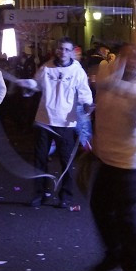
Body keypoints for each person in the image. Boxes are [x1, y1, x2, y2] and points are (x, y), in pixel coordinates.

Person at [88, 44, 136, 271]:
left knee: (124, 216)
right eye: (125, 57)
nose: (130, 62)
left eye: (135, 59)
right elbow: (100, 86)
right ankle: (114, 253)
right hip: (106, 156)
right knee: (100, 207)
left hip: (126, 160)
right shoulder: (108, 79)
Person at [15, 38, 94, 208]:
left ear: (72, 51)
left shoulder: (77, 71)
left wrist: (87, 105)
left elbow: (84, 93)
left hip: (66, 123)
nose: (63, 52)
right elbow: (37, 84)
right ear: (56, 50)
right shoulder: (46, 67)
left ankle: (65, 197)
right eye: (60, 49)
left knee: (66, 162)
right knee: (40, 160)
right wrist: (29, 84)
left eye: (66, 49)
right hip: (44, 120)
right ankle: (39, 195)